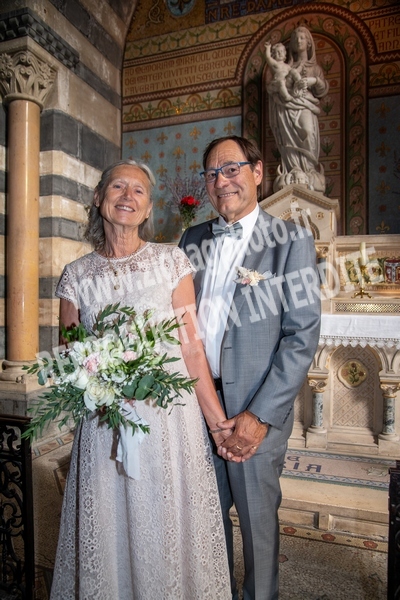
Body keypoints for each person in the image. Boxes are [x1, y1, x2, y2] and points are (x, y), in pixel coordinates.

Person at [50, 159, 232, 599]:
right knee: (110, 522)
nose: (127, 196)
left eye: (138, 191)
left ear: (148, 209)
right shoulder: (76, 276)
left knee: (165, 523)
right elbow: (71, 355)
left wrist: (217, 424)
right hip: (105, 421)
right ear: (99, 198)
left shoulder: (171, 262)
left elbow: (191, 348)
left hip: (169, 421)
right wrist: (103, 390)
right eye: (118, 187)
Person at [179, 135, 321, 600]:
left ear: (258, 172)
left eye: (232, 169)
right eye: (212, 173)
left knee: (257, 523)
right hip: (198, 404)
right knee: (205, 517)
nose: (222, 181)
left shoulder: (291, 239)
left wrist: (258, 417)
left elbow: (301, 336)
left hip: (255, 408)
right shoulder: (192, 239)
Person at [267, 26, 329, 193]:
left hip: (306, 104)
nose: (298, 41)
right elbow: (272, 87)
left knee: (308, 131)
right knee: (287, 138)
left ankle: (309, 169)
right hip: (285, 107)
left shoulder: (315, 68)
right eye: (295, 38)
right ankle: (292, 169)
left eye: (302, 38)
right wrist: (276, 87)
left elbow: (322, 89)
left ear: (309, 43)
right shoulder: (284, 66)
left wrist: (313, 81)